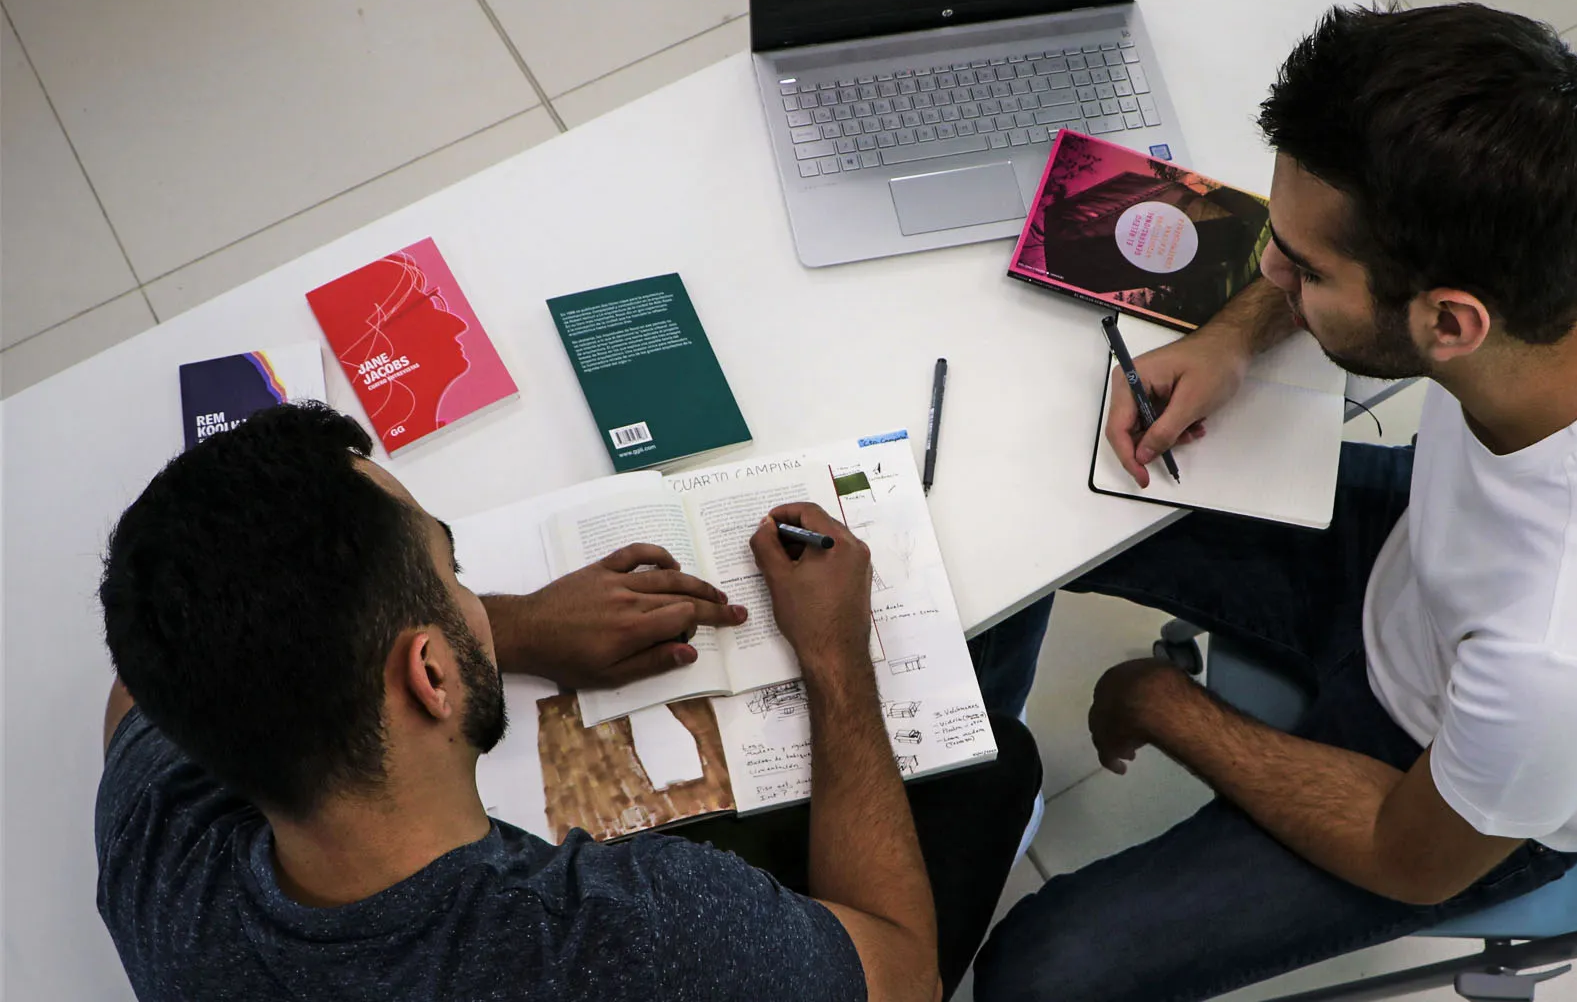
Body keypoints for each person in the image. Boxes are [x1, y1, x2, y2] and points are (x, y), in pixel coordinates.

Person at [971, 2, 1577, 1002]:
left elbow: (1406, 852)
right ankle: (964, 764)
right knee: (1020, 490)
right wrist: (1232, 341)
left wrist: (1163, 704)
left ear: (1450, 323)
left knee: (1040, 974)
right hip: (1425, 560)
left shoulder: (1574, 638)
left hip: (1454, 790)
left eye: (1305, 270)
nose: (1268, 272)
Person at [95, 401, 1039, 1001]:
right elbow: (903, 978)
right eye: (453, 571)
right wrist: (834, 659)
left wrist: (519, 628)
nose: (473, 593)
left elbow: (137, 682)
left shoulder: (160, 859)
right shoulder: (638, 936)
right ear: (429, 678)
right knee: (999, 762)